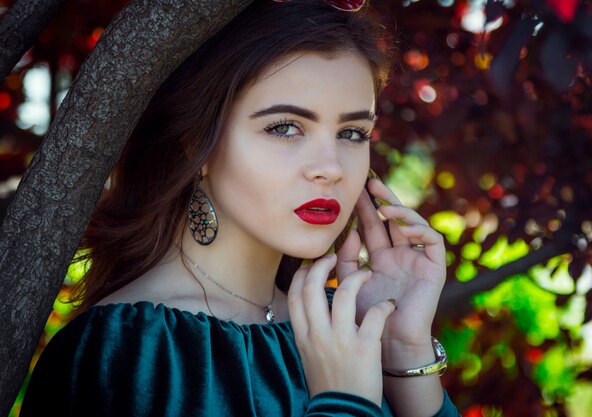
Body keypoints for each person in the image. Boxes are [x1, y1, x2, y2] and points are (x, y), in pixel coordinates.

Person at [21, 1, 461, 416]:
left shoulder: (350, 329)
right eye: (285, 127)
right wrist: (343, 403)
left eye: (352, 133)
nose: (330, 169)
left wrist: (404, 351)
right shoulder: (123, 353)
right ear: (199, 143)